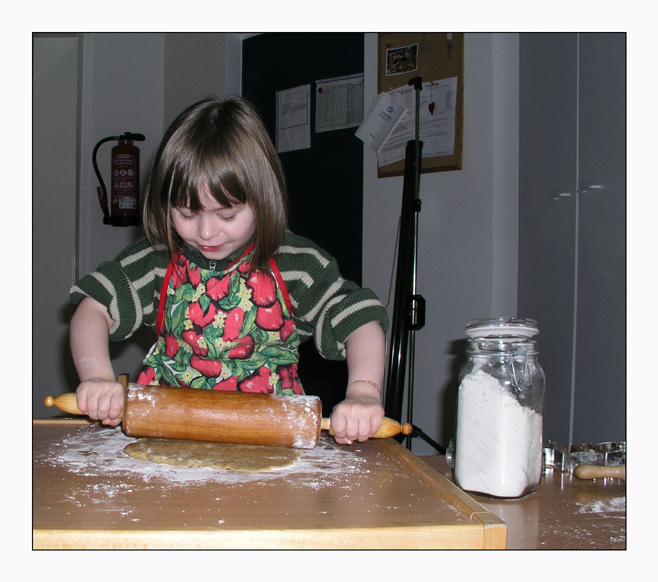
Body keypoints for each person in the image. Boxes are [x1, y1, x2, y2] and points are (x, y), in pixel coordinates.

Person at [69, 95, 388, 446]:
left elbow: (360, 322)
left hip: (271, 441)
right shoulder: (157, 261)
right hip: (169, 436)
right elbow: (93, 308)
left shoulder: (297, 264)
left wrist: (363, 392)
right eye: (187, 214)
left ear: (262, 199)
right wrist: (97, 376)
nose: (206, 232)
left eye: (226, 215)